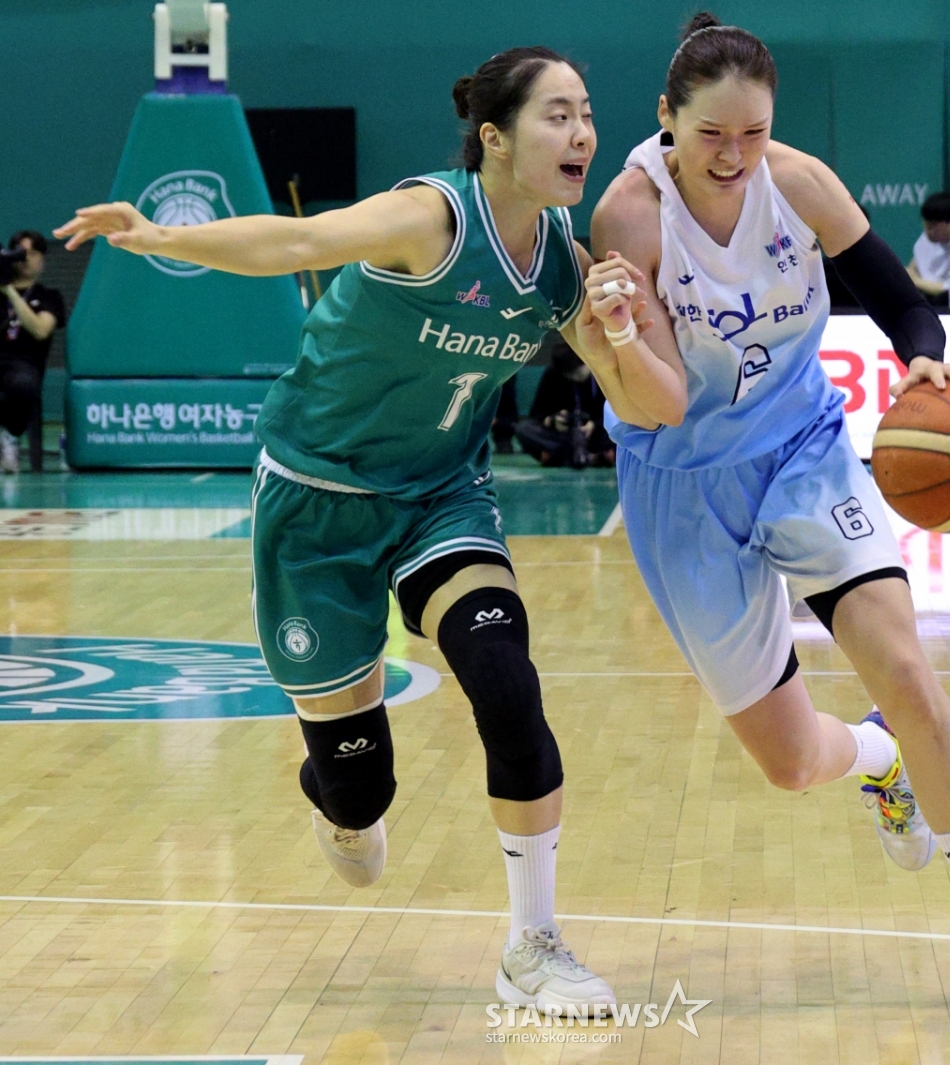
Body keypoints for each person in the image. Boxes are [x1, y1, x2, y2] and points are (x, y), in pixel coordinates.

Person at [56, 47, 622, 1016]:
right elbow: (294, 242)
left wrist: (638, 337)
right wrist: (156, 235)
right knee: (361, 800)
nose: (582, 135)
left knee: (506, 681)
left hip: (441, 493)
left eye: (586, 113)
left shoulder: (565, 262)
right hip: (317, 496)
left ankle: (534, 945)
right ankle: (339, 794)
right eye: (557, 115)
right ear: (495, 137)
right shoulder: (431, 218)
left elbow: (637, 388)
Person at [584, 13, 950, 1005]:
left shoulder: (797, 185)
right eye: (711, 134)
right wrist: (616, 337)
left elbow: (903, 301)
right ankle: (880, 758)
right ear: (666, 117)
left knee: (909, 670)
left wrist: (921, 356)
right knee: (794, 763)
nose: (734, 155)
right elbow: (656, 400)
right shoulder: (630, 215)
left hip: (804, 449)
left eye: (753, 132)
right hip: (682, 481)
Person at [1, 231, 65, 473]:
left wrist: (10, 292)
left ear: (43, 259)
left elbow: (40, 329)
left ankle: (9, 436)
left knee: (22, 384)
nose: (26, 258)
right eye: (20, 253)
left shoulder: (49, 297)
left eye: (33, 253)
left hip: (24, 365)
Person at [515, 335, 614, 467]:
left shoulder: (603, 373)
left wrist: (595, 425)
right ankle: (589, 457)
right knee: (524, 429)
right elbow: (537, 413)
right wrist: (552, 421)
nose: (576, 378)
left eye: (578, 373)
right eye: (570, 375)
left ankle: (562, 457)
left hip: (596, 434)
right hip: (564, 435)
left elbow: (616, 411)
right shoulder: (552, 374)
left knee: (621, 428)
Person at [907, 192, 950, 301]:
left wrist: (916, 281)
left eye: (933, 224)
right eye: (925, 222)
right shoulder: (926, 238)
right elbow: (912, 268)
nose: (927, 228)